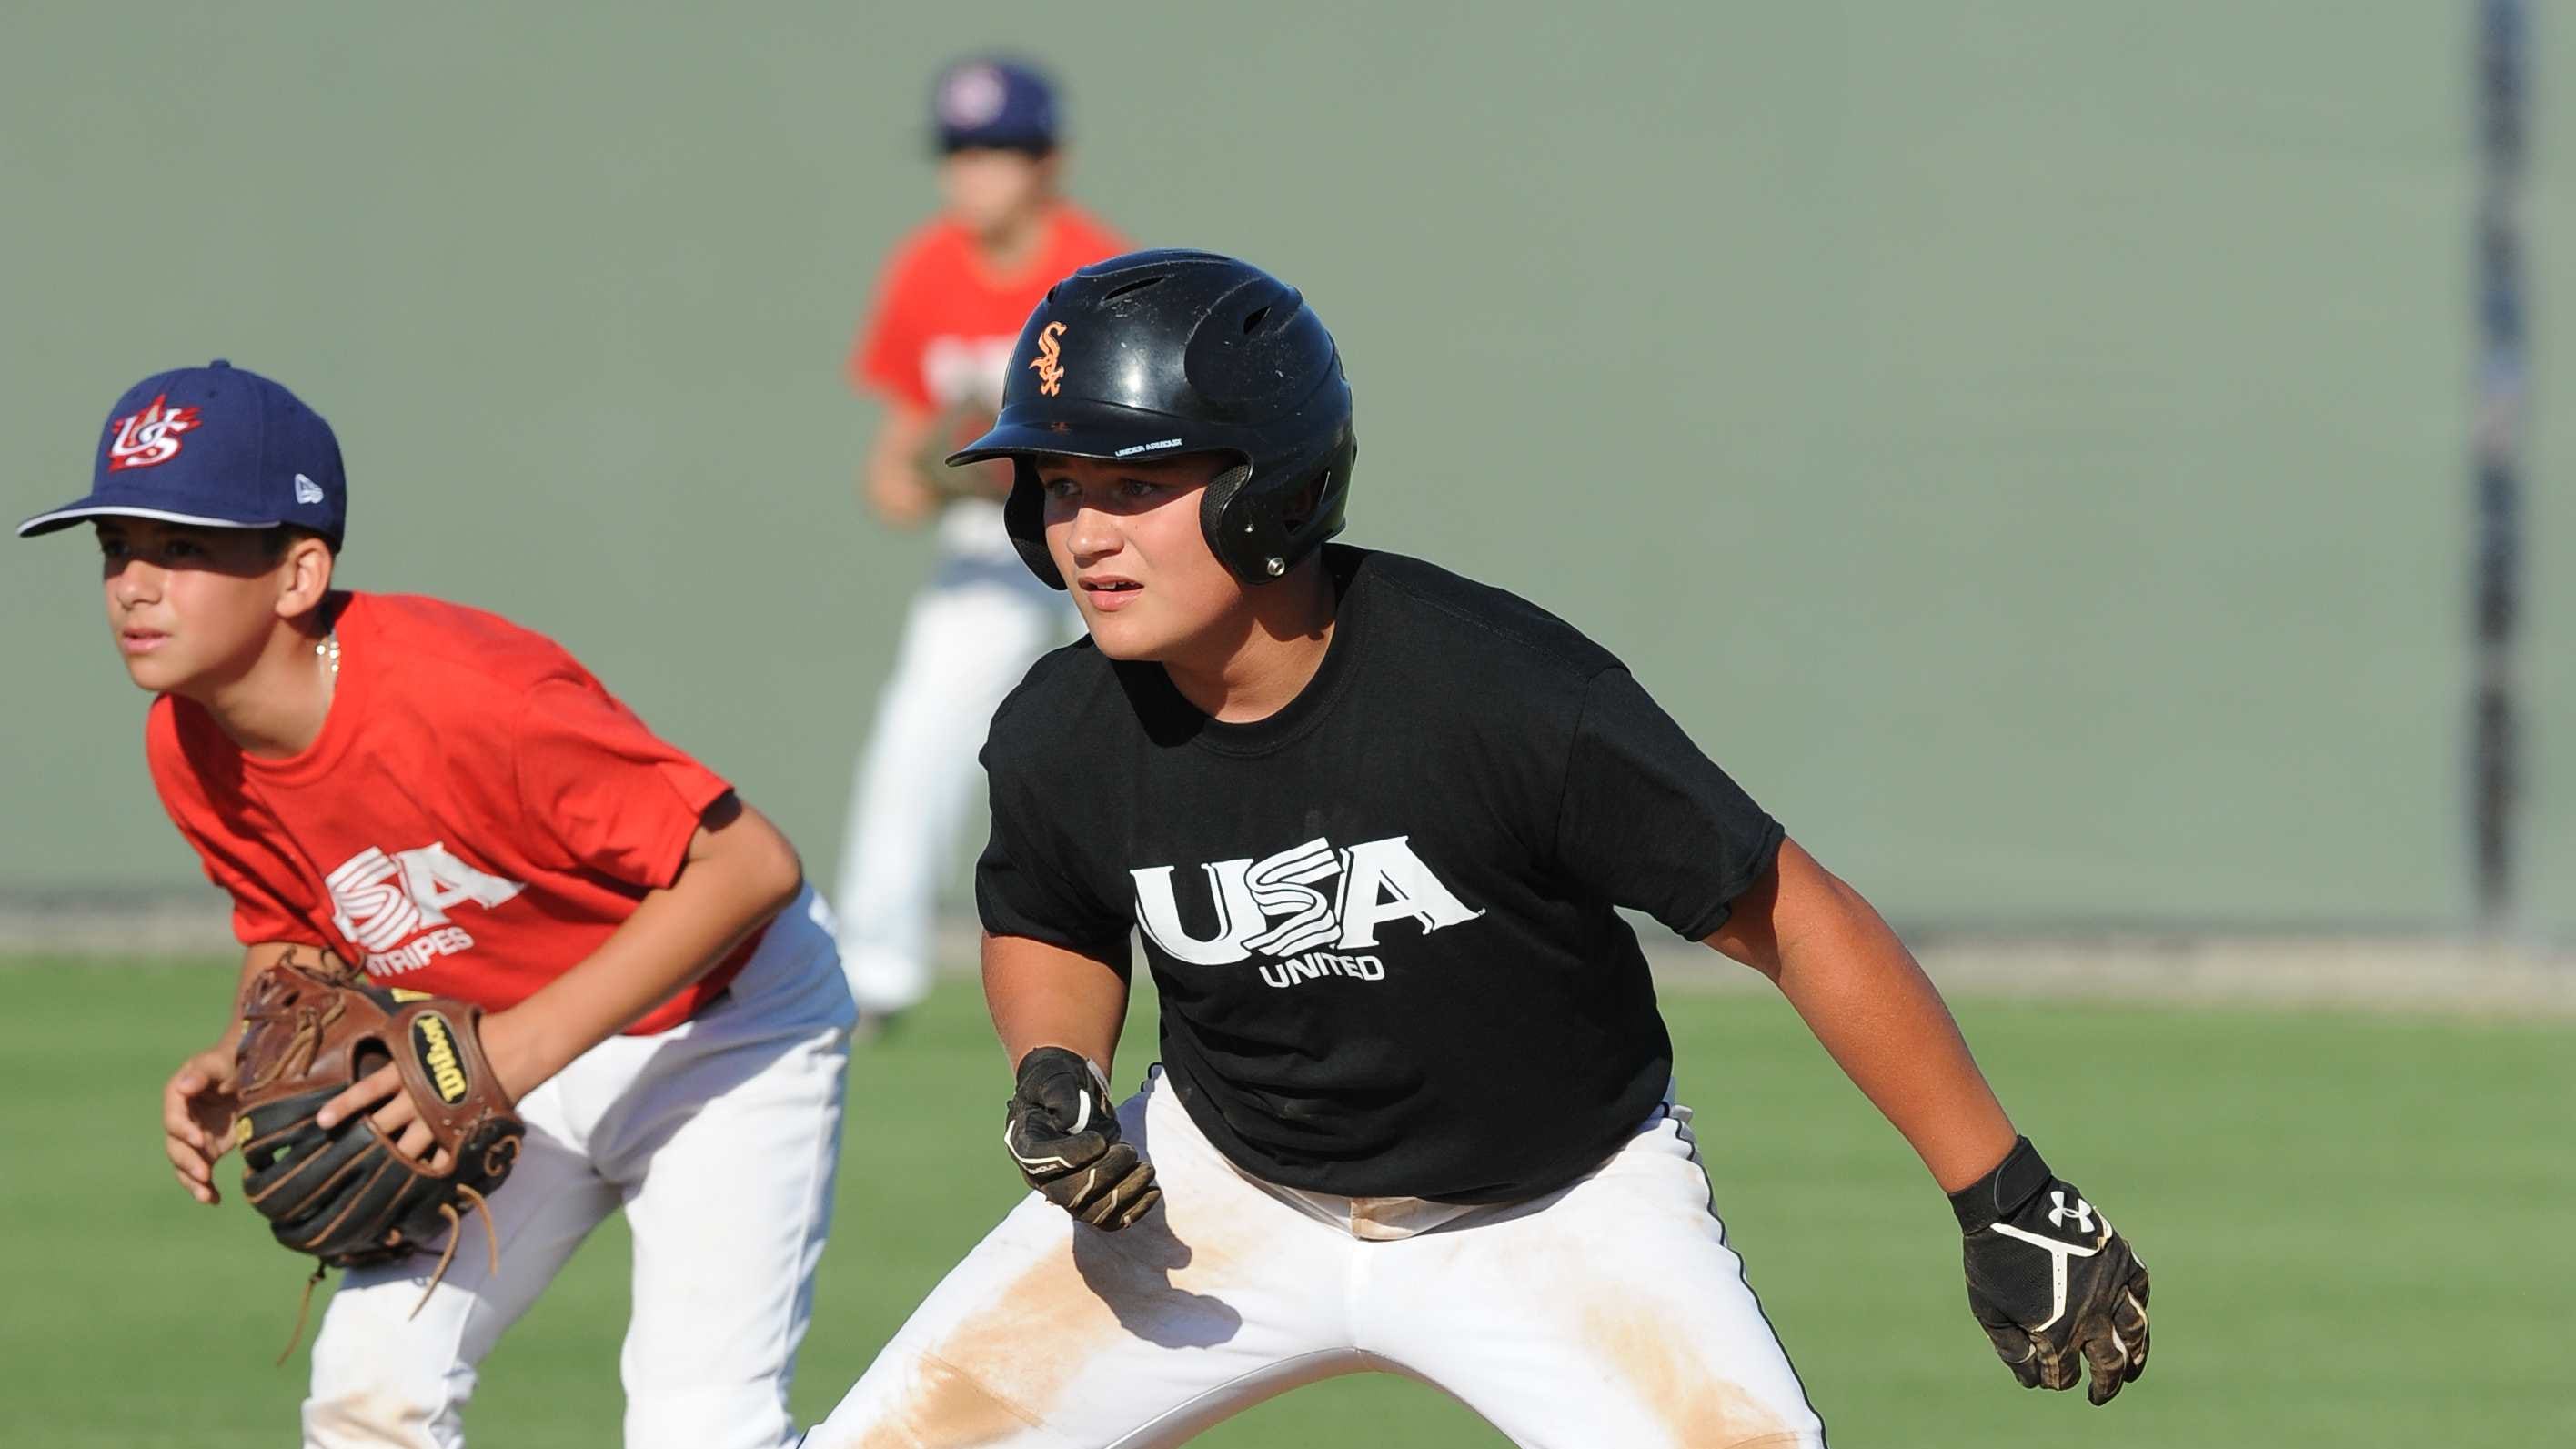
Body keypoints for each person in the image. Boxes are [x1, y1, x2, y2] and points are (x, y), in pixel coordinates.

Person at [803, 252, 2152, 1447]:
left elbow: (1792, 916)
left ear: (1267, 490)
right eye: (1061, 486)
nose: (1082, 530)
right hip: (1218, 1195)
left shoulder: (1500, 696)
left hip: (1558, 1211)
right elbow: (1052, 913)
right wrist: (1056, 1070)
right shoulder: (1061, 729)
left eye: (1137, 483)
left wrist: (2005, 1191)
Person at [19, 360, 857, 1449]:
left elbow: (750, 869)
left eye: (184, 548)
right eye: (116, 548)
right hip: (485, 1044)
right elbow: (296, 924)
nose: (133, 582)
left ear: (297, 573)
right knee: (371, 1394)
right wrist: (244, 1042)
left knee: (701, 1426)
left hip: (727, 1029)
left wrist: (510, 1058)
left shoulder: (470, 699)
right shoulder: (189, 740)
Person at [835, 56, 1127, 1021]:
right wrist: (936, 472)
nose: (974, 172)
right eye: (959, 151)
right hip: (991, 545)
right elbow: (893, 470)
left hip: (1106, 528)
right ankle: (875, 973)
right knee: (918, 732)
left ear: (1051, 161)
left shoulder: (1097, 269)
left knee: (1158, 726)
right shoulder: (926, 270)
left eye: (998, 149)